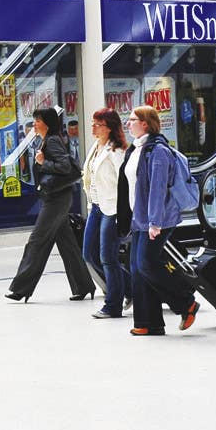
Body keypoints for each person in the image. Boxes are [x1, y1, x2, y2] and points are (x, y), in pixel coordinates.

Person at [117, 105, 199, 337]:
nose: (128, 123)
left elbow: (157, 188)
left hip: (158, 218)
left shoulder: (158, 151)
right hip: (139, 218)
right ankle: (148, 323)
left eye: (132, 119)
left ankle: (186, 302)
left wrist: (155, 222)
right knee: (137, 269)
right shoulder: (135, 149)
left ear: (145, 123)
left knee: (146, 264)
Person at [5, 107, 93, 303]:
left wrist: (43, 162)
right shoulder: (46, 140)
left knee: (37, 242)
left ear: (47, 123)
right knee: (67, 244)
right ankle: (84, 285)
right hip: (55, 198)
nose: (34, 123)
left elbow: (64, 167)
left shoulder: (52, 141)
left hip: (56, 200)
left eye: (38, 120)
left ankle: (20, 289)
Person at [80, 108, 130, 320]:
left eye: (97, 124)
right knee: (88, 254)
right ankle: (131, 288)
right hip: (96, 207)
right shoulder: (96, 147)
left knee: (107, 258)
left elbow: (126, 182)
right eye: (93, 123)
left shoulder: (117, 151)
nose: (93, 127)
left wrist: (125, 212)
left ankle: (113, 305)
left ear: (109, 128)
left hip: (113, 208)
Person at [66, 118, 86, 217]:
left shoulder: (84, 140)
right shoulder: (64, 142)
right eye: (71, 130)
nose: (73, 132)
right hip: (70, 175)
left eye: (75, 129)